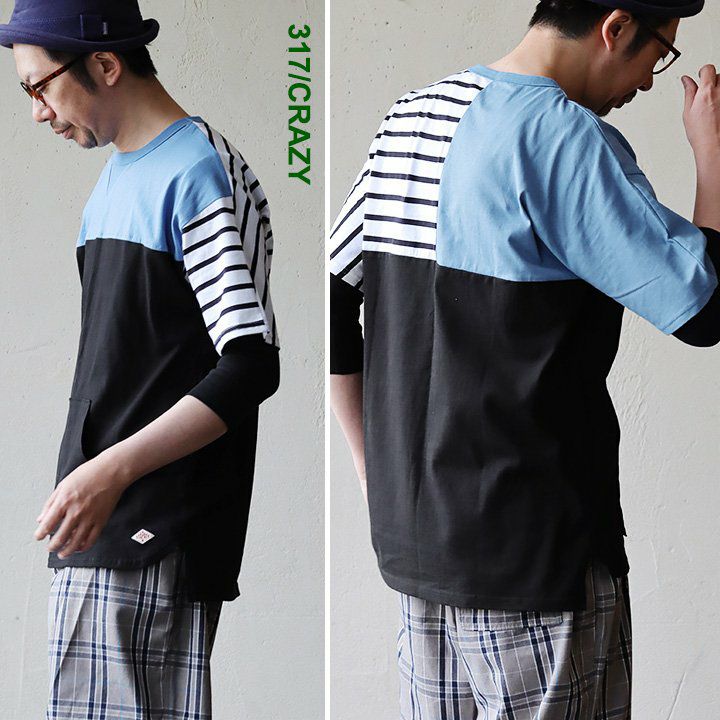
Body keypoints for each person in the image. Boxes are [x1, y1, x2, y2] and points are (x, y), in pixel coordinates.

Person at [330, 0, 719, 717]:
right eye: (658, 53)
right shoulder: (566, 137)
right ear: (615, 27)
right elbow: (703, 310)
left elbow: (330, 300)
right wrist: (711, 157)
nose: (649, 80)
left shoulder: (410, 118)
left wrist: (371, 467)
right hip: (536, 556)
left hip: (418, 550)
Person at [0, 1, 280, 718]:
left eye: (39, 87)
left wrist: (108, 473)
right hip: (106, 529)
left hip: (148, 535)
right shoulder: (120, 178)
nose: (35, 111)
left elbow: (250, 364)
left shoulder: (196, 171)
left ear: (104, 63)